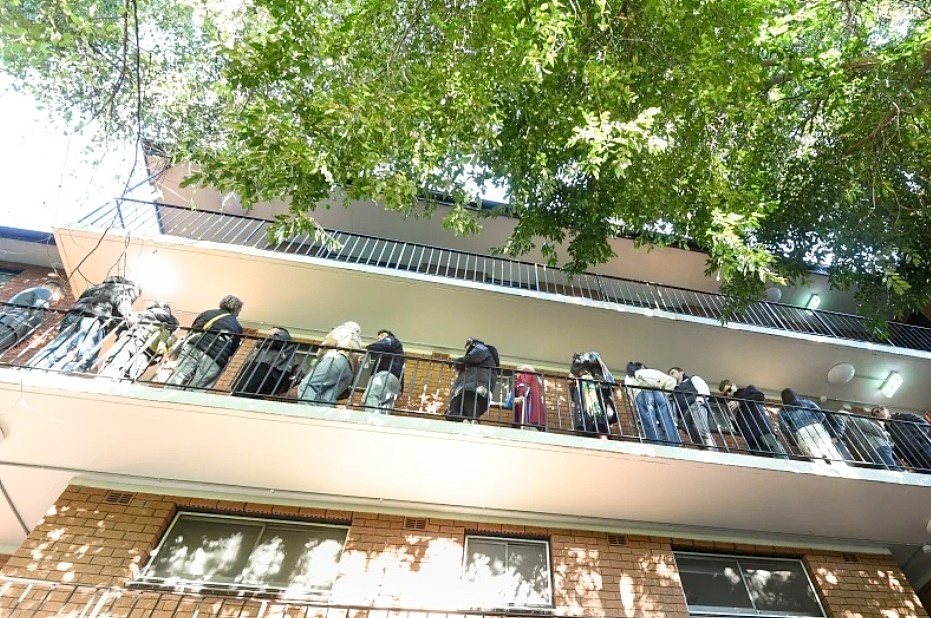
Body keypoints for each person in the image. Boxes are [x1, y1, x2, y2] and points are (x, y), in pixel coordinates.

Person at [28, 276, 139, 372]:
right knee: (87, 354)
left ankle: (35, 367)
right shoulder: (125, 289)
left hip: (73, 314)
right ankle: (72, 374)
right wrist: (131, 319)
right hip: (93, 318)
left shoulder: (95, 286)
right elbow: (123, 306)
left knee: (59, 346)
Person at [165, 295, 244, 389]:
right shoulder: (237, 326)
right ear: (236, 309)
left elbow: (194, 328)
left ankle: (168, 392)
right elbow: (233, 349)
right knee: (200, 386)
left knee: (180, 375)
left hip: (194, 345)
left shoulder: (207, 313)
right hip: (216, 356)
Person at [97, 300, 179, 380]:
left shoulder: (151, 313)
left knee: (114, 365)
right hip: (147, 352)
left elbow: (124, 326)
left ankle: (103, 381)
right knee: (132, 374)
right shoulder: (169, 326)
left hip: (131, 342)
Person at [718, 380, 788, 458]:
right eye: (725, 394)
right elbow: (738, 430)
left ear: (734, 385)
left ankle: (786, 464)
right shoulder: (731, 404)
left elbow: (760, 396)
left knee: (775, 448)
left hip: (761, 427)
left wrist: (739, 403)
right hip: (750, 436)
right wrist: (733, 418)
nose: (728, 394)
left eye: (729, 390)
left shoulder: (748, 390)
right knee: (763, 457)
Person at [298, 321, 362, 405]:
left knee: (307, 385)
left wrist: (319, 354)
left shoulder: (343, 329)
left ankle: (307, 411)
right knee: (328, 397)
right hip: (349, 373)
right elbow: (358, 364)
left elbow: (330, 342)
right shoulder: (358, 341)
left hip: (335, 359)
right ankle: (323, 413)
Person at [777, 388, 846, 464]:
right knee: (829, 449)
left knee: (813, 454)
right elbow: (820, 414)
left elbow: (784, 428)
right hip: (816, 427)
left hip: (801, 431)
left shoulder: (783, 411)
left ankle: (822, 468)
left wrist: (794, 436)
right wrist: (817, 423)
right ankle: (841, 467)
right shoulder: (807, 402)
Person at [231, 327, 301, 398]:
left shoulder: (283, 337)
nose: (268, 334)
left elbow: (276, 341)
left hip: (266, 369)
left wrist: (261, 342)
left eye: (272, 331)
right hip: (262, 370)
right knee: (246, 391)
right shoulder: (267, 344)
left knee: (245, 390)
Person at [0, 281, 64, 352]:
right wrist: (25, 339)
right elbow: (37, 314)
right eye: (60, 299)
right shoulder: (45, 291)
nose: (58, 304)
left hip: (7, 324)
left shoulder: (30, 292)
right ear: (56, 291)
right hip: (13, 327)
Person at [445, 338, 499, 422]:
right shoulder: (474, 360)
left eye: (467, 346)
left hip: (473, 387)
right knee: (450, 412)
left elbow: (473, 358)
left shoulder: (481, 348)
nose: (466, 349)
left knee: (469, 406)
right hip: (466, 389)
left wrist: (457, 361)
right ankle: (466, 421)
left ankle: (472, 422)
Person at [626, 362, 679, 445]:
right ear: (642, 366)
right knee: (667, 420)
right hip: (659, 394)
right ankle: (673, 445)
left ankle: (656, 444)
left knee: (649, 422)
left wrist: (634, 402)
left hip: (642, 395)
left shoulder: (630, 376)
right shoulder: (652, 371)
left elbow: (630, 391)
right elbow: (671, 381)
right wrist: (665, 394)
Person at [568, 352, 617, 436]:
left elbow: (594, 359)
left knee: (599, 415)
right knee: (585, 413)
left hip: (595, 391)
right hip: (586, 396)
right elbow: (572, 378)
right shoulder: (579, 383)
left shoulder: (595, 371)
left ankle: (599, 430)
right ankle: (589, 429)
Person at [668, 367, 717, 449]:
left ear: (681, 372)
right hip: (684, 414)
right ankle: (703, 448)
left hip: (696, 405)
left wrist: (699, 402)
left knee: (700, 428)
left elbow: (703, 389)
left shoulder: (692, 379)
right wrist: (676, 418)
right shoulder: (674, 389)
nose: (671, 376)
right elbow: (674, 404)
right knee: (688, 429)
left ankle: (712, 448)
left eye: (672, 373)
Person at [843, 406, 902, 470]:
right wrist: (887, 439)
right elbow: (876, 430)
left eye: (878, 411)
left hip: (874, 450)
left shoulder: (848, 429)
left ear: (886, 410)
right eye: (874, 413)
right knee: (892, 470)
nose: (877, 414)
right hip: (877, 447)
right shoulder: (855, 420)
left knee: (889, 469)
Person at [361, 329, 405, 413]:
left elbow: (385, 343)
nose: (380, 339)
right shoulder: (397, 352)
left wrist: (367, 350)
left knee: (371, 396)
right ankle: (380, 419)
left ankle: (371, 418)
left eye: (382, 336)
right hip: (394, 380)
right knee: (384, 405)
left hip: (384, 375)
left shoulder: (391, 340)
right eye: (378, 338)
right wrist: (400, 390)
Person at [504, 365, 545, 430]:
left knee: (527, 428)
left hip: (528, 414)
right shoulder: (534, 379)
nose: (516, 375)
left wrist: (521, 396)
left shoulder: (526, 371)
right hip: (536, 418)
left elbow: (523, 384)